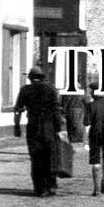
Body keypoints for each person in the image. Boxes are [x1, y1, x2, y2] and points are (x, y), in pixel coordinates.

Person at [13, 66, 65, 197]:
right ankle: (51, 185)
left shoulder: (25, 90)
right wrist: (59, 129)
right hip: (50, 128)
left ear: (30, 78)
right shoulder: (51, 89)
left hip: (33, 127)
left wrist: (17, 126)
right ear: (42, 77)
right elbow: (56, 111)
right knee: (50, 156)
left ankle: (40, 188)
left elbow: (18, 109)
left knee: (36, 157)